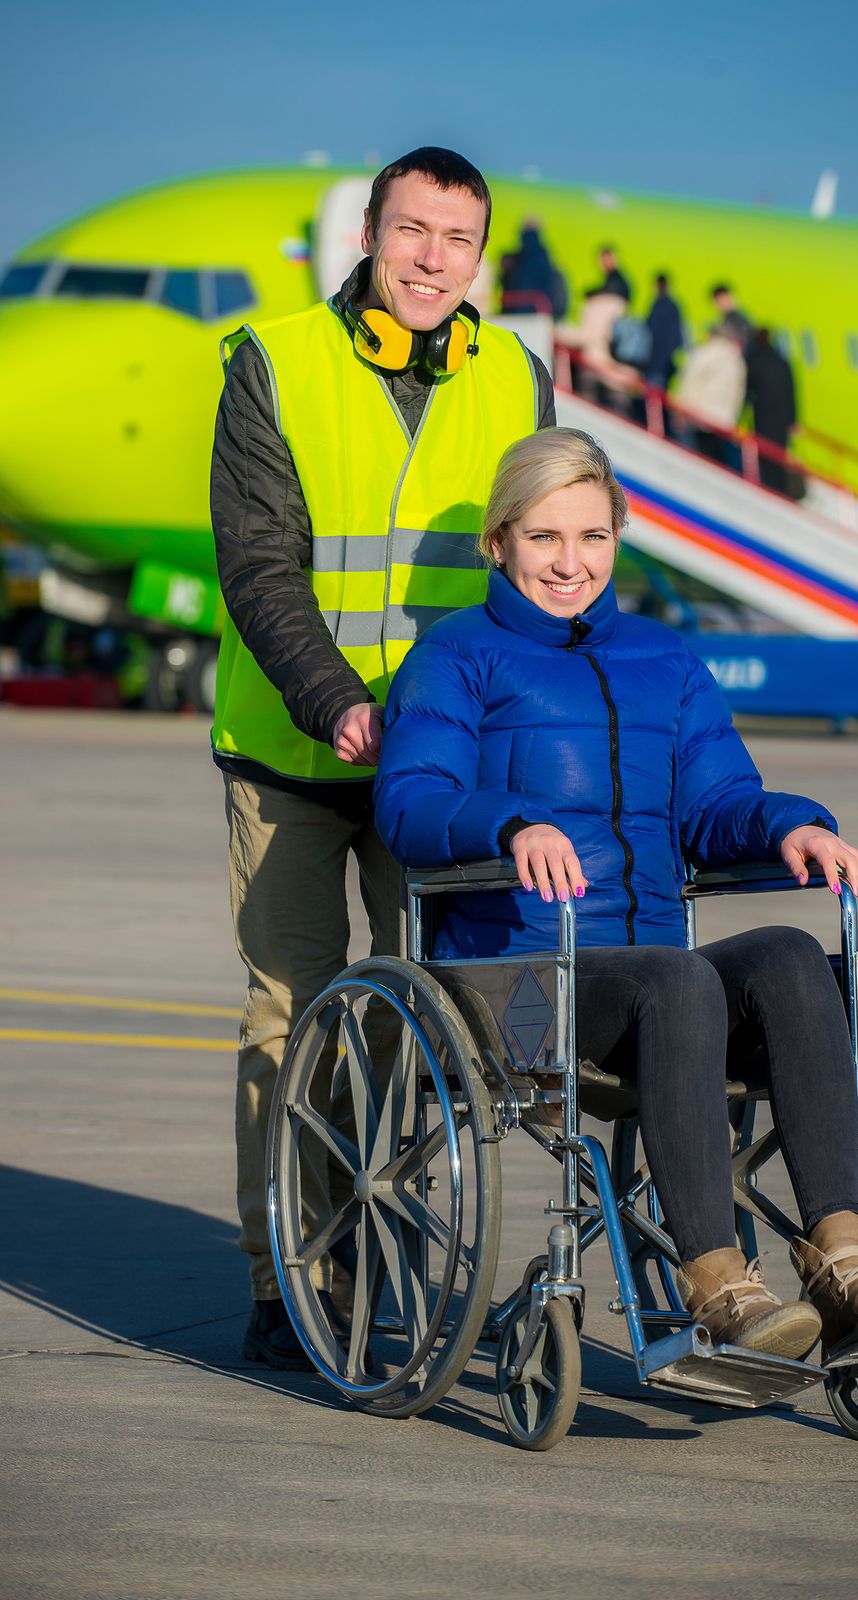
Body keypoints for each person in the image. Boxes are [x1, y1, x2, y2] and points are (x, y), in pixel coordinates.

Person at [375, 428, 858, 1357]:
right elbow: (412, 799)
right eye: (545, 537)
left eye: (593, 537)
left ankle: (843, 1257)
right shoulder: (457, 656)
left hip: (649, 976)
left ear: (619, 537)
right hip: (516, 983)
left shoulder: (664, 659)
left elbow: (718, 800)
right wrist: (511, 821)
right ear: (499, 541)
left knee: (792, 956)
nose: (570, 562)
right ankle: (717, 1282)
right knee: (678, 982)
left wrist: (789, 824)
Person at [210, 146, 556, 1369]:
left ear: (478, 256)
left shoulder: (517, 373)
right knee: (292, 1020)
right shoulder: (276, 362)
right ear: (372, 232)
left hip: (444, 774)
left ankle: (392, 1245)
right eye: (412, 232)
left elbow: (541, 566)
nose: (431, 259)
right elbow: (258, 563)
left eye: (456, 241)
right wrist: (341, 702)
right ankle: (288, 1276)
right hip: (296, 752)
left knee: (432, 1027)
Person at [676, 325, 747, 466]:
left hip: (701, 415)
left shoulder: (705, 352)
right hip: (724, 419)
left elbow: (690, 380)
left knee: (698, 458)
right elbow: (738, 392)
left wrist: (681, 408)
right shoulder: (737, 360)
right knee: (718, 461)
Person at [746, 327, 799, 496]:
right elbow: (791, 392)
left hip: (763, 417)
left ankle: (770, 491)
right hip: (782, 419)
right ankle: (782, 492)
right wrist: (793, 420)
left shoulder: (754, 362)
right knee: (779, 457)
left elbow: (748, 390)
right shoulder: (782, 362)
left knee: (765, 457)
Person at [643, 272, 686, 397]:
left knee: (653, 399)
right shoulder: (672, 306)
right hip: (663, 364)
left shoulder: (659, 306)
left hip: (655, 364)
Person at [710, 281, 753, 346]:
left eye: (724, 298)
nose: (723, 303)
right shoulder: (722, 321)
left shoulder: (740, 319)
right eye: (719, 301)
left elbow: (744, 337)